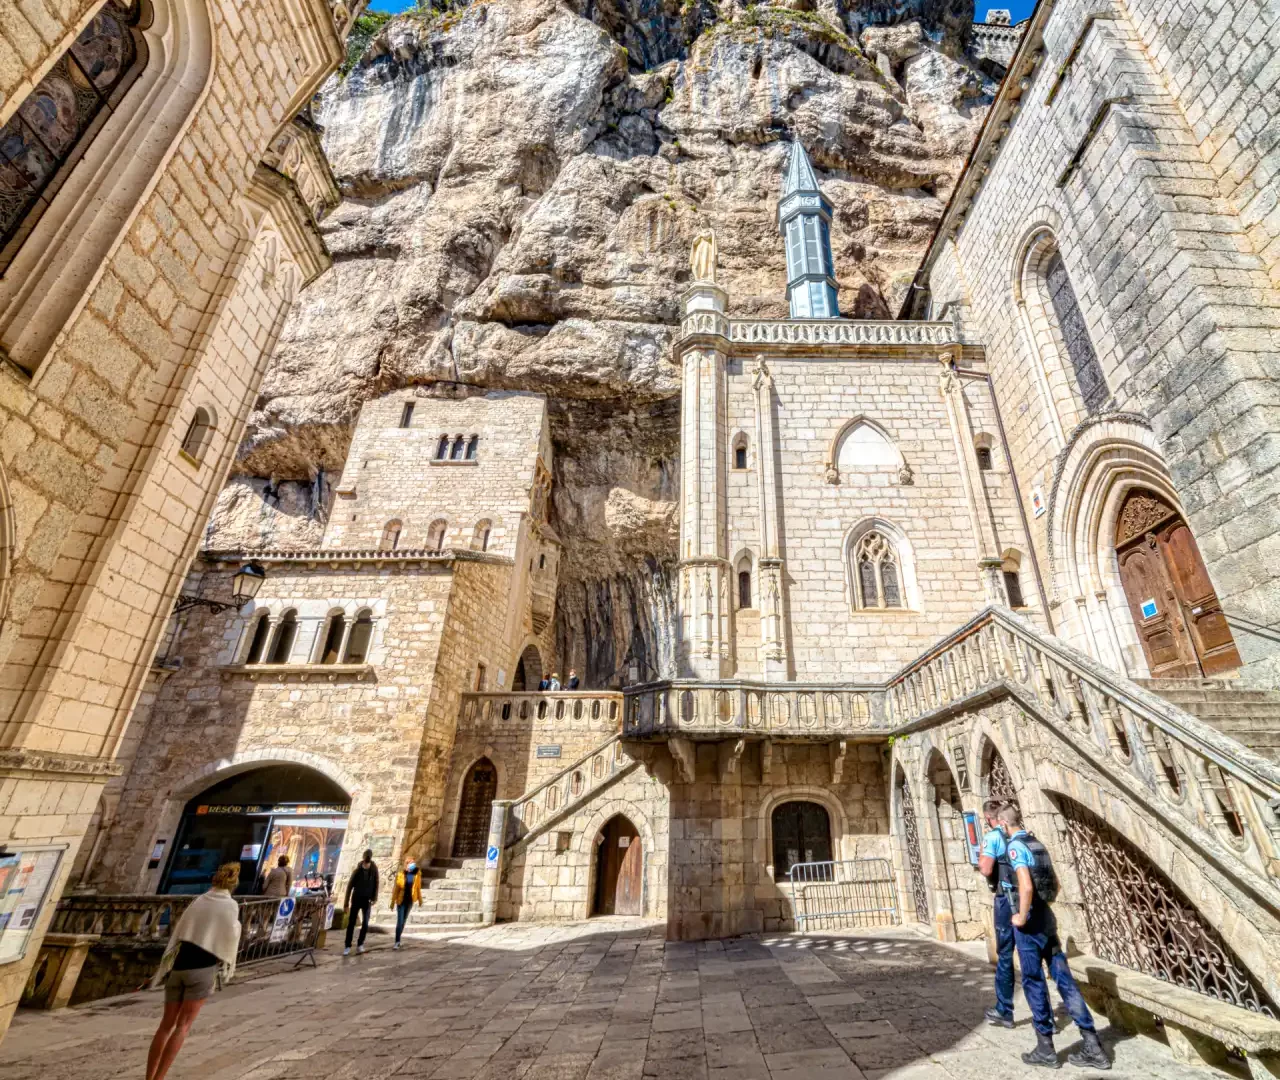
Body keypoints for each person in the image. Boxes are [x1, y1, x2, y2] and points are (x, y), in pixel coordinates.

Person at [998, 804, 1111, 1070]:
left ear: (1003, 825)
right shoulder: (1037, 843)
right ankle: (1092, 1044)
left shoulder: (1015, 847)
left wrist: (1022, 915)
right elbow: (1055, 884)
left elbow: (1025, 884)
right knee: (1064, 980)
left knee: (1033, 980)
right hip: (1047, 919)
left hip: (1030, 924)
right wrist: (1042, 906)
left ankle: (1045, 1048)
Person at [147, 862, 242, 1080]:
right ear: (233, 884)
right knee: (183, 1026)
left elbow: (180, 930)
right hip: (202, 969)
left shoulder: (198, 901)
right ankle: (160, 1077)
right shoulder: (229, 905)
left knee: (165, 1026)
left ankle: (150, 1077)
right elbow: (231, 934)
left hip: (179, 966)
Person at [977, 798, 1015, 1029]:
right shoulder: (1018, 835)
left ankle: (1004, 1009)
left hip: (1005, 898)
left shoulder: (993, 837)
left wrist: (982, 855)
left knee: (1005, 956)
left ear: (989, 819)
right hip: (1027, 901)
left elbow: (986, 868)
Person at [344, 848, 378, 955]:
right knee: (351, 922)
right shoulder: (357, 871)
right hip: (356, 898)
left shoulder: (373, 870)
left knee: (366, 923)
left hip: (367, 900)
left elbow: (376, 883)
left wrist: (374, 897)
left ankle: (360, 943)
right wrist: (346, 904)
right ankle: (347, 945)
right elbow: (349, 887)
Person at [391, 855, 422, 950]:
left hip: (410, 901)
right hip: (401, 900)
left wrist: (420, 900)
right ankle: (397, 941)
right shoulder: (401, 874)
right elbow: (396, 889)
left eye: (413, 863)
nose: (412, 865)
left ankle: (398, 939)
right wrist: (392, 902)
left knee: (403, 921)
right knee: (399, 921)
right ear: (407, 865)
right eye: (410, 863)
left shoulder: (417, 874)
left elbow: (418, 888)